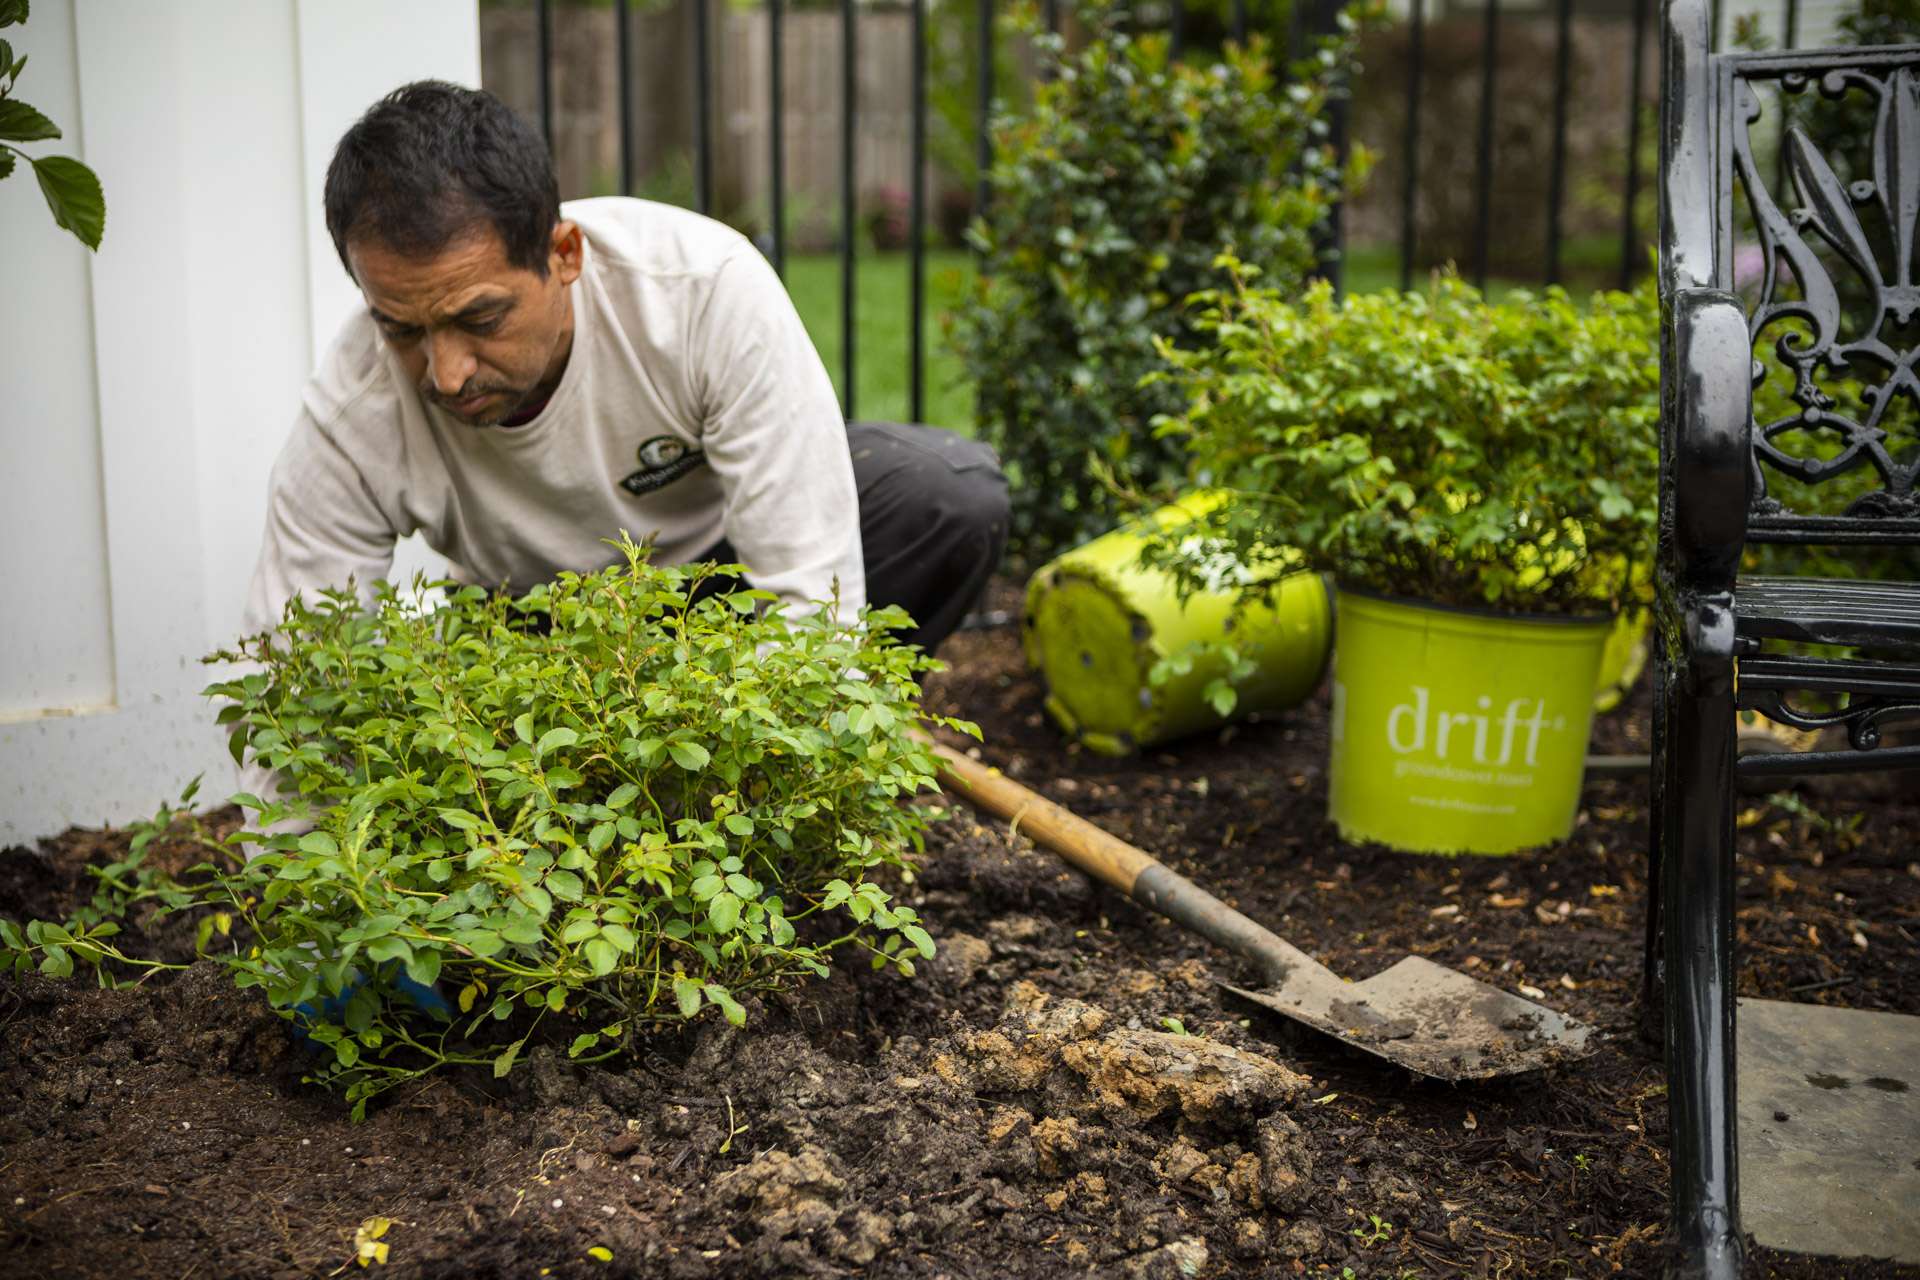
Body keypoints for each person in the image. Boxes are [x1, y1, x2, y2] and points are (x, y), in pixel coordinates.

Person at [241, 79, 1008, 656]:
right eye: (401, 328)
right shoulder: (356, 405)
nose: (444, 373)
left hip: (720, 573)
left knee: (946, 497)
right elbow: (297, 662)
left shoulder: (701, 289)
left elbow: (810, 590)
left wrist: (796, 794)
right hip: (534, 632)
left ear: (563, 254)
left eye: (480, 319)